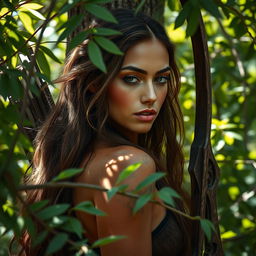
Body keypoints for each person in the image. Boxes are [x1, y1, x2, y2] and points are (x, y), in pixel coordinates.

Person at [20, 8, 191, 256]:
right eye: (132, 79)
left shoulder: (79, 159)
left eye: (161, 79)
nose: (151, 96)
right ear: (95, 82)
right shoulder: (128, 167)